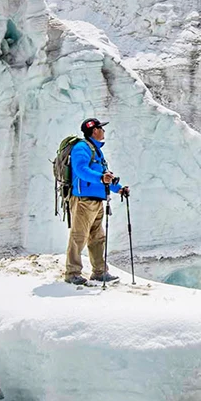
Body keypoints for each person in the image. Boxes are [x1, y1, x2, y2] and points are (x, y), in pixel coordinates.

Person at [64, 117, 130, 285]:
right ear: (94, 130)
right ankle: (72, 273)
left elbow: (106, 177)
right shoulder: (81, 148)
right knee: (79, 236)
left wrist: (119, 189)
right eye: (101, 128)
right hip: (83, 200)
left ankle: (99, 272)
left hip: (96, 201)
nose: (103, 131)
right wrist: (101, 178)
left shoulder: (96, 150)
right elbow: (80, 170)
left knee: (97, 237)